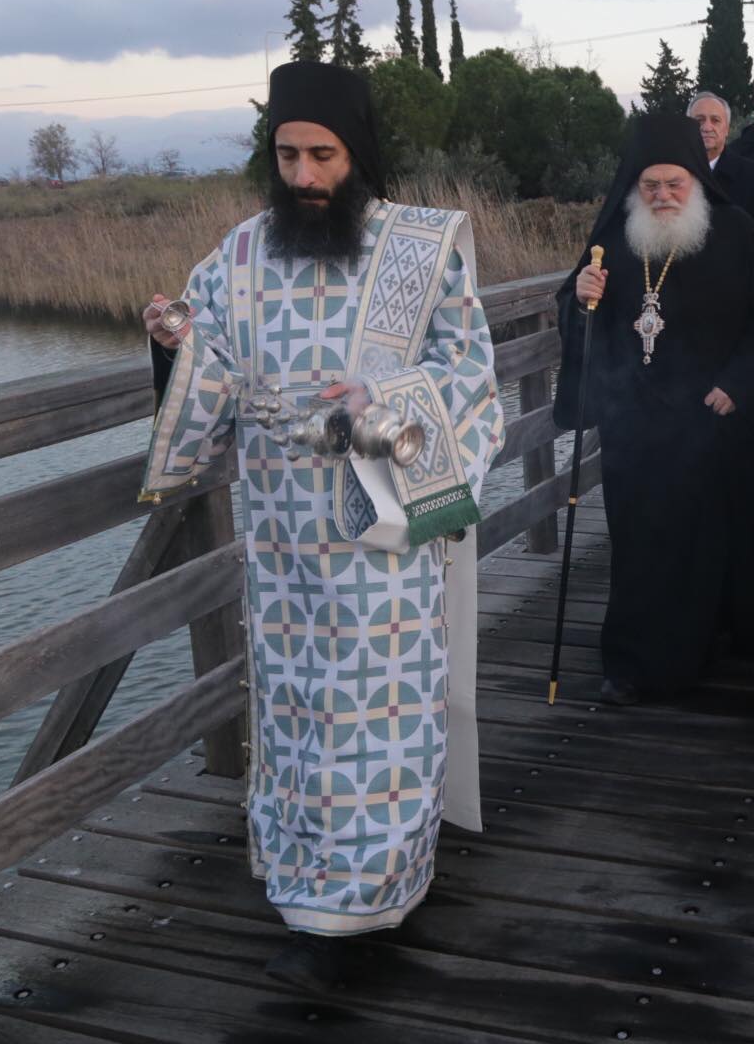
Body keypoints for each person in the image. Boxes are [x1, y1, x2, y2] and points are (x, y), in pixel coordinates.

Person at [138, 61, 505, 988]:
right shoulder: (238, 256)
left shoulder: (419, 249)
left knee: (376, 718)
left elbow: (470, 379)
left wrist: (387, 397)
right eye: (287, 154)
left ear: (358, 155)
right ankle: (304, 884)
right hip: (281, 541)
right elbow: (210, 368)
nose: (302, 175)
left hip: (381, 537)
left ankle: (366, 902)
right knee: (298, 713)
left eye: (323, 155)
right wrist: (174, 343)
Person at [554, 115, 754, 706]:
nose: (662, 195)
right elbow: (577, 311)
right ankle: (631, 664)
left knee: (701, 543)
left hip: (708, 419)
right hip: (633, 421)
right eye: (650, 185)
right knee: (637, 544)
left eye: (674, 183)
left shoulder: (736, 232)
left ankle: (698, 648)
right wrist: (580, 300)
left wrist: (739, 382)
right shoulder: (614, 236)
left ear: (696, 180)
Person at [689, 91, 754, 249]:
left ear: (727, 129)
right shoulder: (671, 177)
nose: (707, 127)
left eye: (715, 120)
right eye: (699, 120)